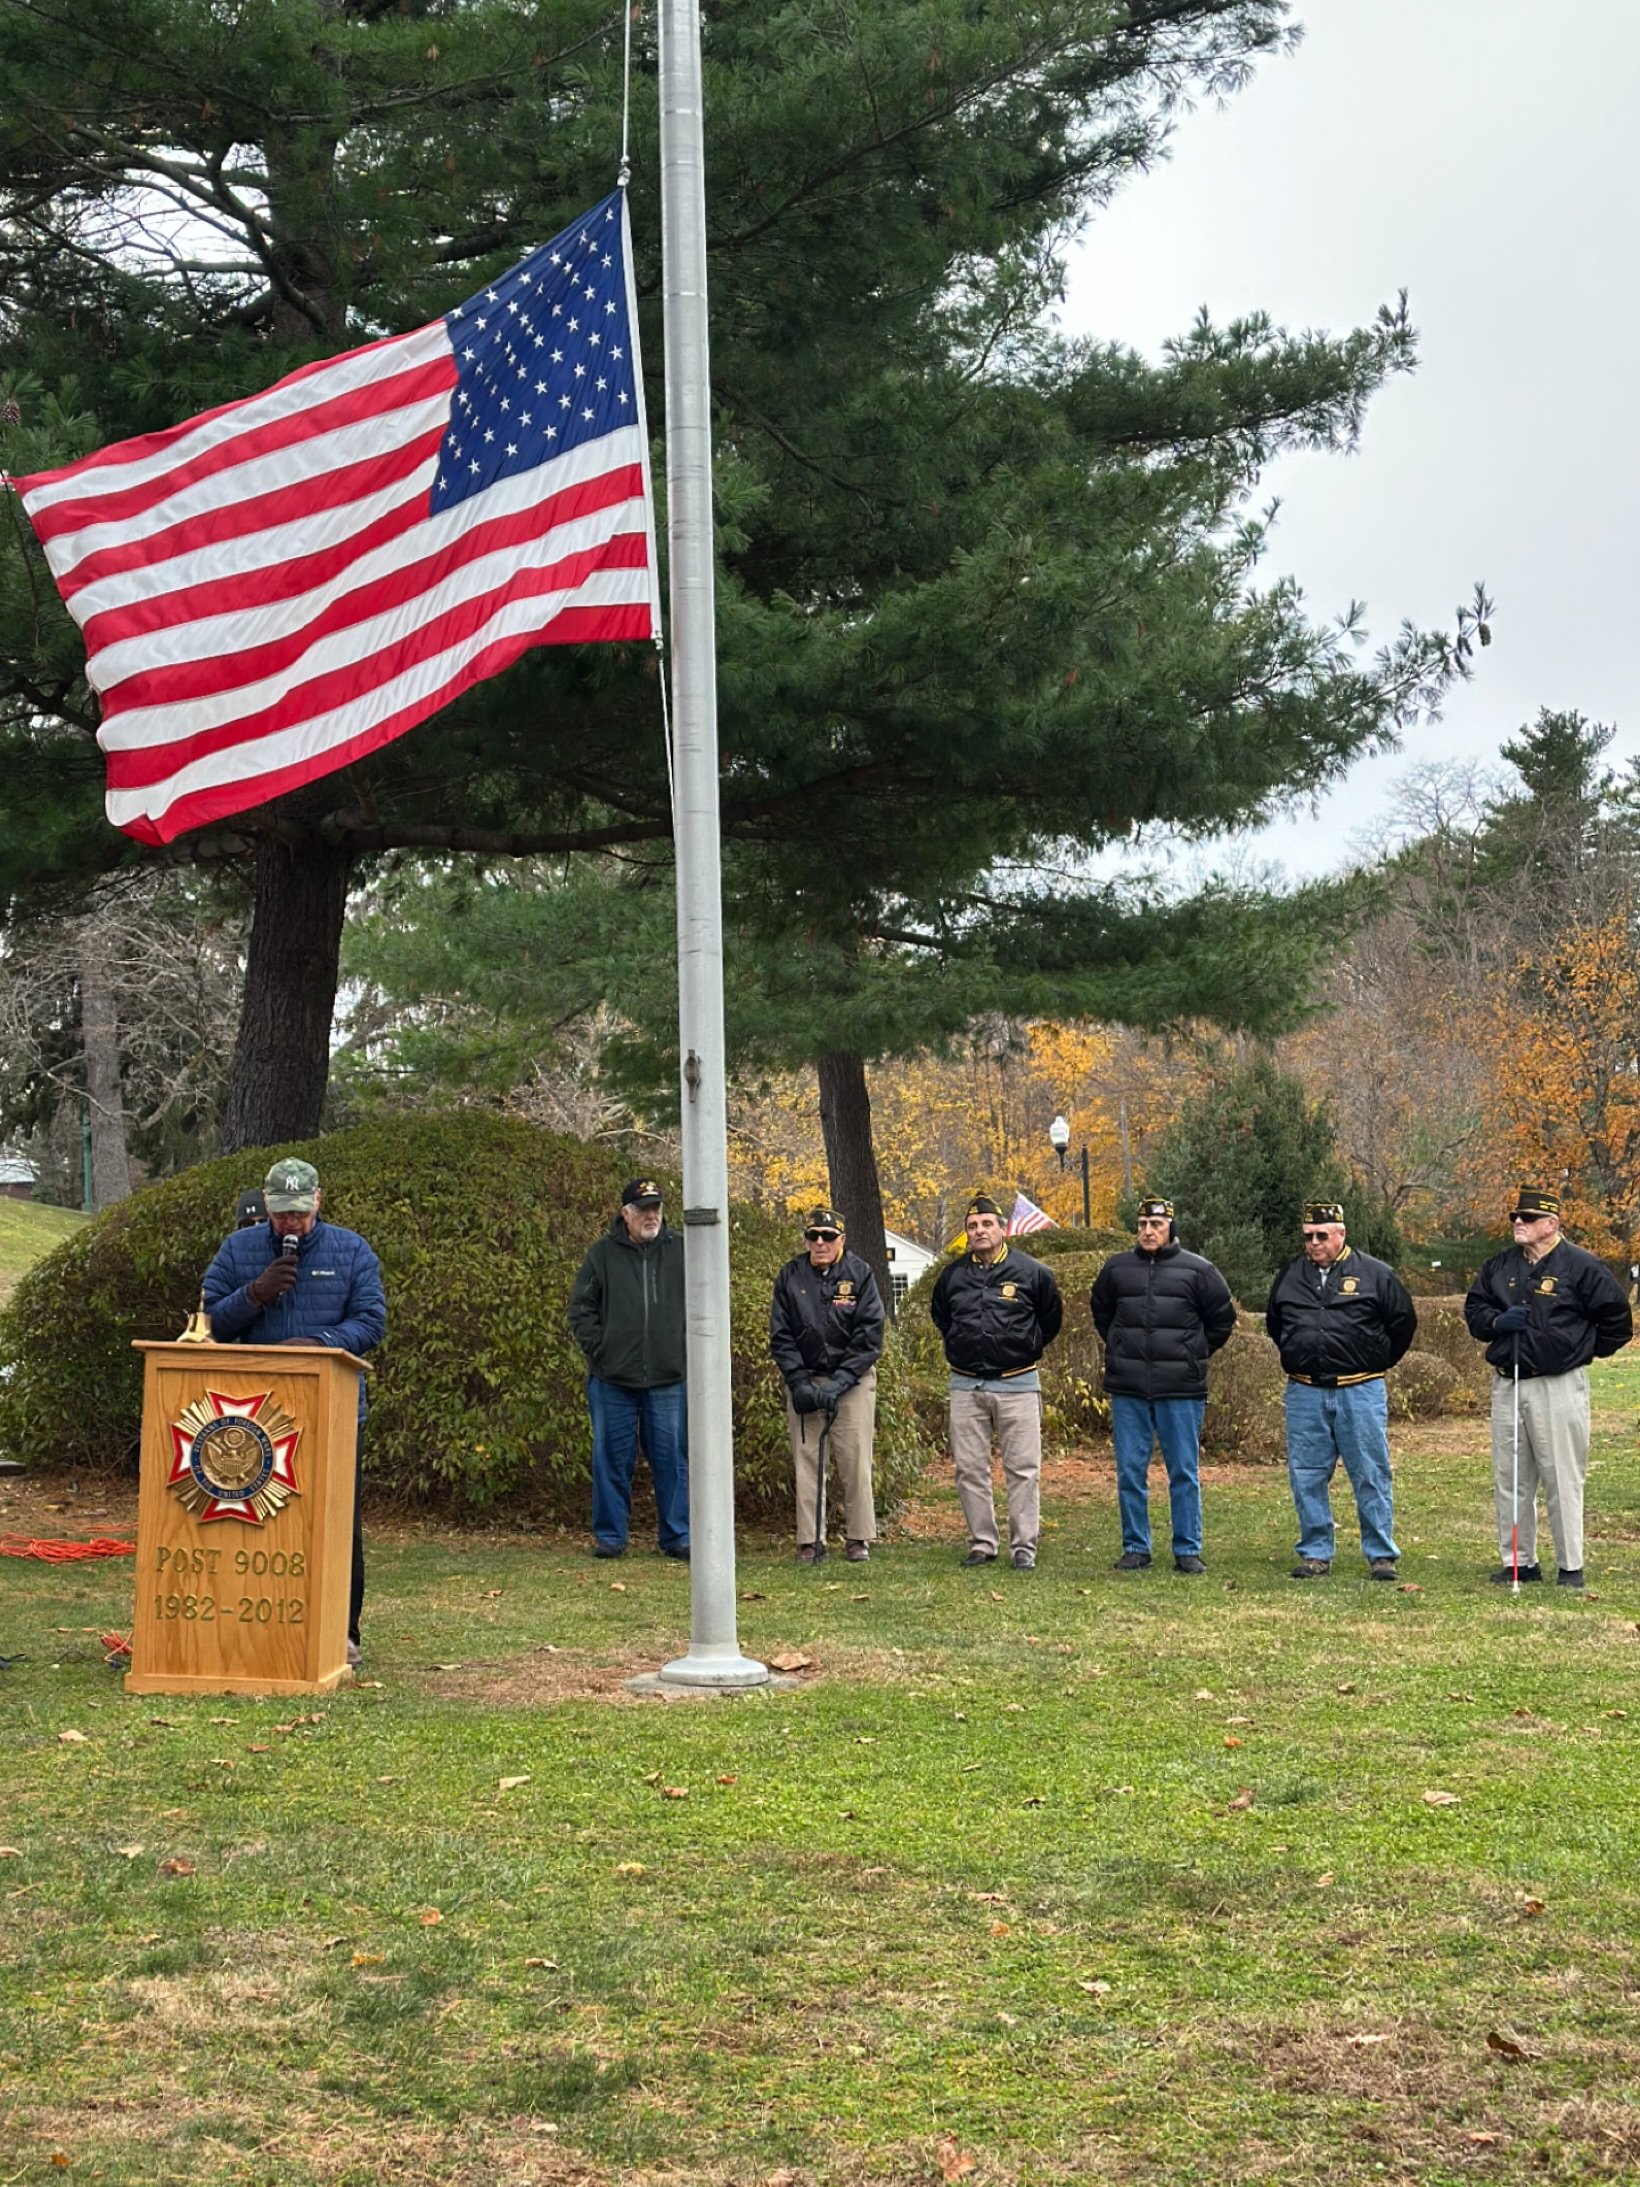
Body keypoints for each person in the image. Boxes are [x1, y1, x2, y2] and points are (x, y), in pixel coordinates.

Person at [201, 1157, 386, 1665]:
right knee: (253, 1521)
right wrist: (255, 1294)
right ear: (267, 1204)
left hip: (333, 1410)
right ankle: (253, 1625)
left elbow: (371, 1322)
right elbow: (210, 1323)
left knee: (336, 1523)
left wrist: (320, 1343)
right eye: (283, 1213)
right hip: (250, 1415)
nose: (292, 1223)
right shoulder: (237, 1250)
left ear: (318, 1201)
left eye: (301, 1213)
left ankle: (341, 1631)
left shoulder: (351, 1250)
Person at [1463, 1185, 1632, 1589]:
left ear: (1551, 1224)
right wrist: (1496, 1323)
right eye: (1515, 1217)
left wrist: (1578, 1350)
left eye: (1528, 1218)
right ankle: (1519, 1562)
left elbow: (1616, 1321)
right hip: (1509, 1382)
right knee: (1511, 1476)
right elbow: (1475, 1309)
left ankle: (1570, 1564)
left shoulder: (1582, 1266)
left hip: (1557, 1386)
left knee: (1562, 1476)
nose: (1518, 1223)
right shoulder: (1500, 1266)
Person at [1265, 1200, 1416, 1582]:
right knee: (1307, 1474)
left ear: (1341, 1234)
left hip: (1359, 1389)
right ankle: (1316, 1552)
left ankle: (1381, 1554)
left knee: (1370, 1472)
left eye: (1321, 1235)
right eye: (1308, 1236)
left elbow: (1402, 1324)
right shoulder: (1290, 1275)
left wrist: (1375, 1360)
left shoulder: (1375, 1274)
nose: (1314, 1243)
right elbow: (1275, 1324)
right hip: (1305, 1392)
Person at [1090, 1196, 1236, 1575]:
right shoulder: (1116, 1269)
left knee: (1183, 1471)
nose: (1148, 1231)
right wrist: (1121, 1347)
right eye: (1142, 1224)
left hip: (1181, 1388)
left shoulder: (1199, 1270)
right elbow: (1102, 1314)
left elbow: (1221, 1320)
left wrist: (1193, 1353)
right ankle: (1136, 1547)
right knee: (1130, 1471)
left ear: (1170, 1227)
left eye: (1155, 1225)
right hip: (1129, 1388)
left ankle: (1187, 1549)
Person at [929, 1192, 1063, 1570]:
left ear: (1002, 1228)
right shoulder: (952, 1276)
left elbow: (1050, 1321)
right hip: (966, 1386)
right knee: (970, 1469)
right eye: (972, 1226)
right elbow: (942, 1318)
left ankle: (1024, 1547)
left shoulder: (1032, 1272)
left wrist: (1023, 1346)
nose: (980, 1231)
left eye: (987, 1224)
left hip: (1017, 1384)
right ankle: (982, 1543)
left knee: (1023, 1469)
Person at [567, 1178, 690, 1561]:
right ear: (626, 1214)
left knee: (672, 1460)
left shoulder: (682, 1250)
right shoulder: (602, 1255)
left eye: (656, 1208)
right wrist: (602, 1350)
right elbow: (580, 1309)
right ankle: (611, 1537)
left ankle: (677, 1536)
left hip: (668, 1378)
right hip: (612, 1380)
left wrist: (685, 1350)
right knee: (611, 1460)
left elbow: (705, 1303)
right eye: (642, 1209)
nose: (651, 1216)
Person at [769, 1204, 885, 1564]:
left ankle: (858, 1537)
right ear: (806, 1240)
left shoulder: (860, 1274)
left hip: (852, 1383)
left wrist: (841, 1381)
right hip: (806, 1379)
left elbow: (869, 1335)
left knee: (854, 1460)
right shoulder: (790, 1276)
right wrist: (798, 1381)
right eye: (813, 1236)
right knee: (807, 1462)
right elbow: (781, 1335)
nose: (820, 1242)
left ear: (841, 1239)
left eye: (828, 1236)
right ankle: (810, 1539)